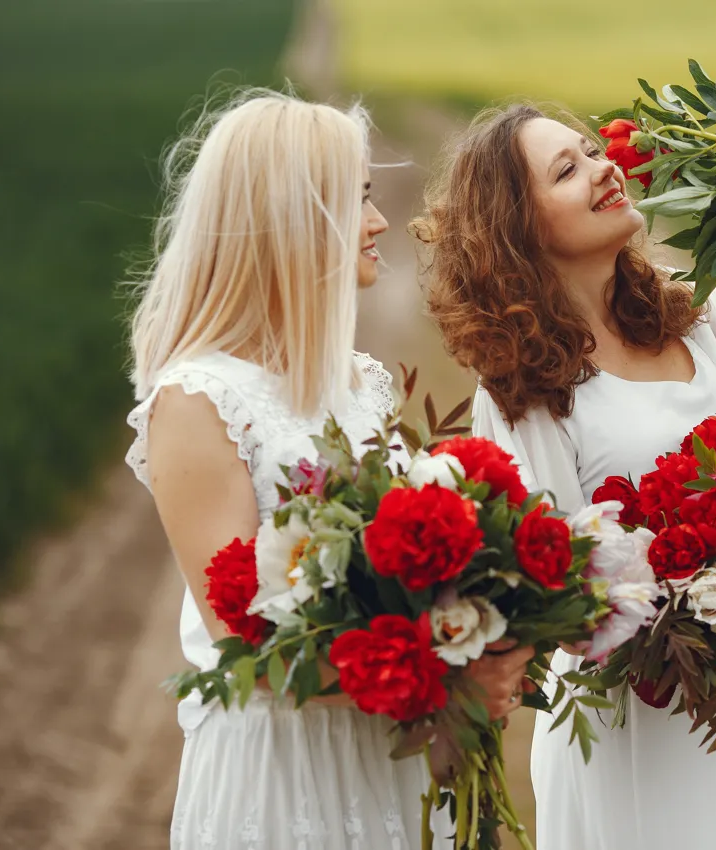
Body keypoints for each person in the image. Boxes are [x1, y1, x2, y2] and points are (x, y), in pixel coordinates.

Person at [417, 102, 716, 850]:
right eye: (568, 170)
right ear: (518, 228)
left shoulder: (688, 310)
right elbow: (550, 598)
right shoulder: (521, 387)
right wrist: (688, 583)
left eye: (593, 150)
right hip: (629, 722)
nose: (604, 167)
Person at [125, 90, 532, 849]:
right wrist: (448, 677)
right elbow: (249, 649)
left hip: (388, 759)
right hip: (284, 774)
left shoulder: (360, 383)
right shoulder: (199, 399)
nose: (379, 223)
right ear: (290, 220)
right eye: (357, 202)